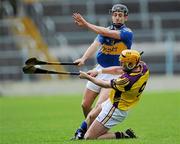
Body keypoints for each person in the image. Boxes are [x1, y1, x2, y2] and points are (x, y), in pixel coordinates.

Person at [72, 49, 150, 140]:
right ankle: (81, 132)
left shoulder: (127, 81)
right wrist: (98, 72)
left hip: (116, 109)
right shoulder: (142, 66)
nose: (122, 65)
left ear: (131, 64)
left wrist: (87, 77)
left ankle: (123, 135)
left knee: (89, 137)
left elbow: (105, 84)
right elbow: (119, 70)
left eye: (124, 63)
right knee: (91, 116)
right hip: (113, 101)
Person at [72, 4, 134, 117]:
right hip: (99, 69)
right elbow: (94, 45)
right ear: (112, 17)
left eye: (120, 15)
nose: (117, 17)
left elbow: (106, 33)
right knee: (85, 105)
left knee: (98, 108)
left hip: (115, 73)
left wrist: (86, 24)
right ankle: (90, 130)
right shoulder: (105, 30)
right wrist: (83, 58)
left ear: (126, 17)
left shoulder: (127, 33)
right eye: (115, 15)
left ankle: (89, 132)